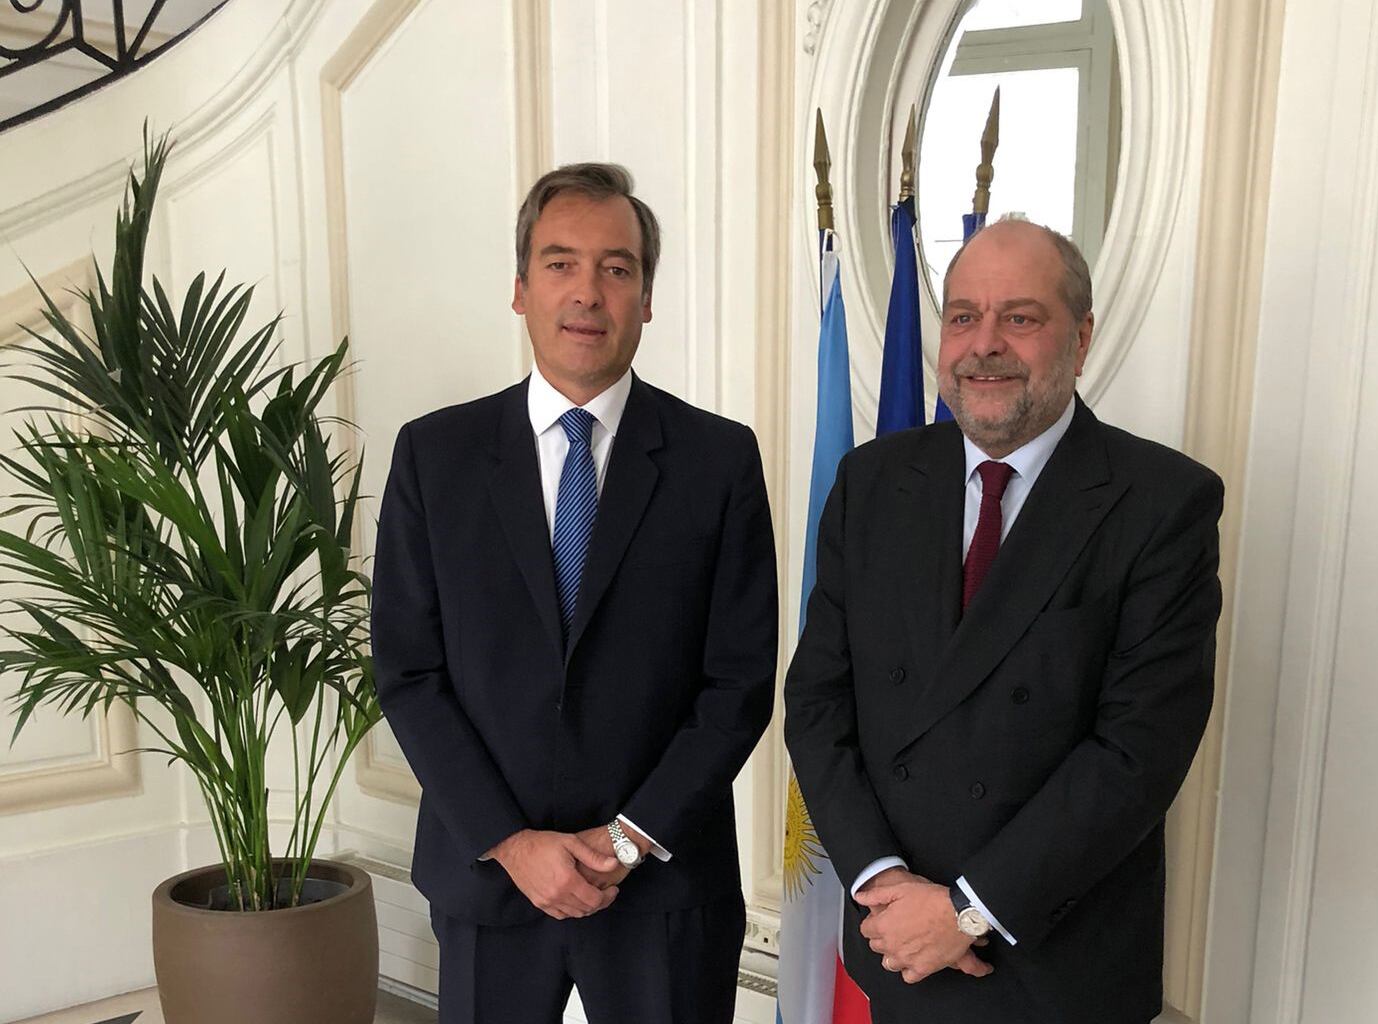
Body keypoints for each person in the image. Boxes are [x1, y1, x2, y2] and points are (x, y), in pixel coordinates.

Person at [784, 216, 1223, 1022]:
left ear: (1080, 339)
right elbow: (817, 703)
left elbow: (1138, 751)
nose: (984, 345)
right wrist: (881, 881)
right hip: (897, 947)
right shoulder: (871, 484)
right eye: (963, 317)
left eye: (1019, 317)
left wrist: (965, 912)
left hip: (1056, 968)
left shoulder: (1162, 503)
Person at [372, 163, 777, 1024]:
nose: (588, 292)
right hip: (489, 875)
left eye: (616, 268)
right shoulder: (435, 457)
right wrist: (511, 843)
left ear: (647, 297)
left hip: (662, 882)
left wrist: (629, 840)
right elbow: (409, 674)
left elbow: (736, 684)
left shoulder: (718, 461)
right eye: (560, 263)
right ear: (521, 288)